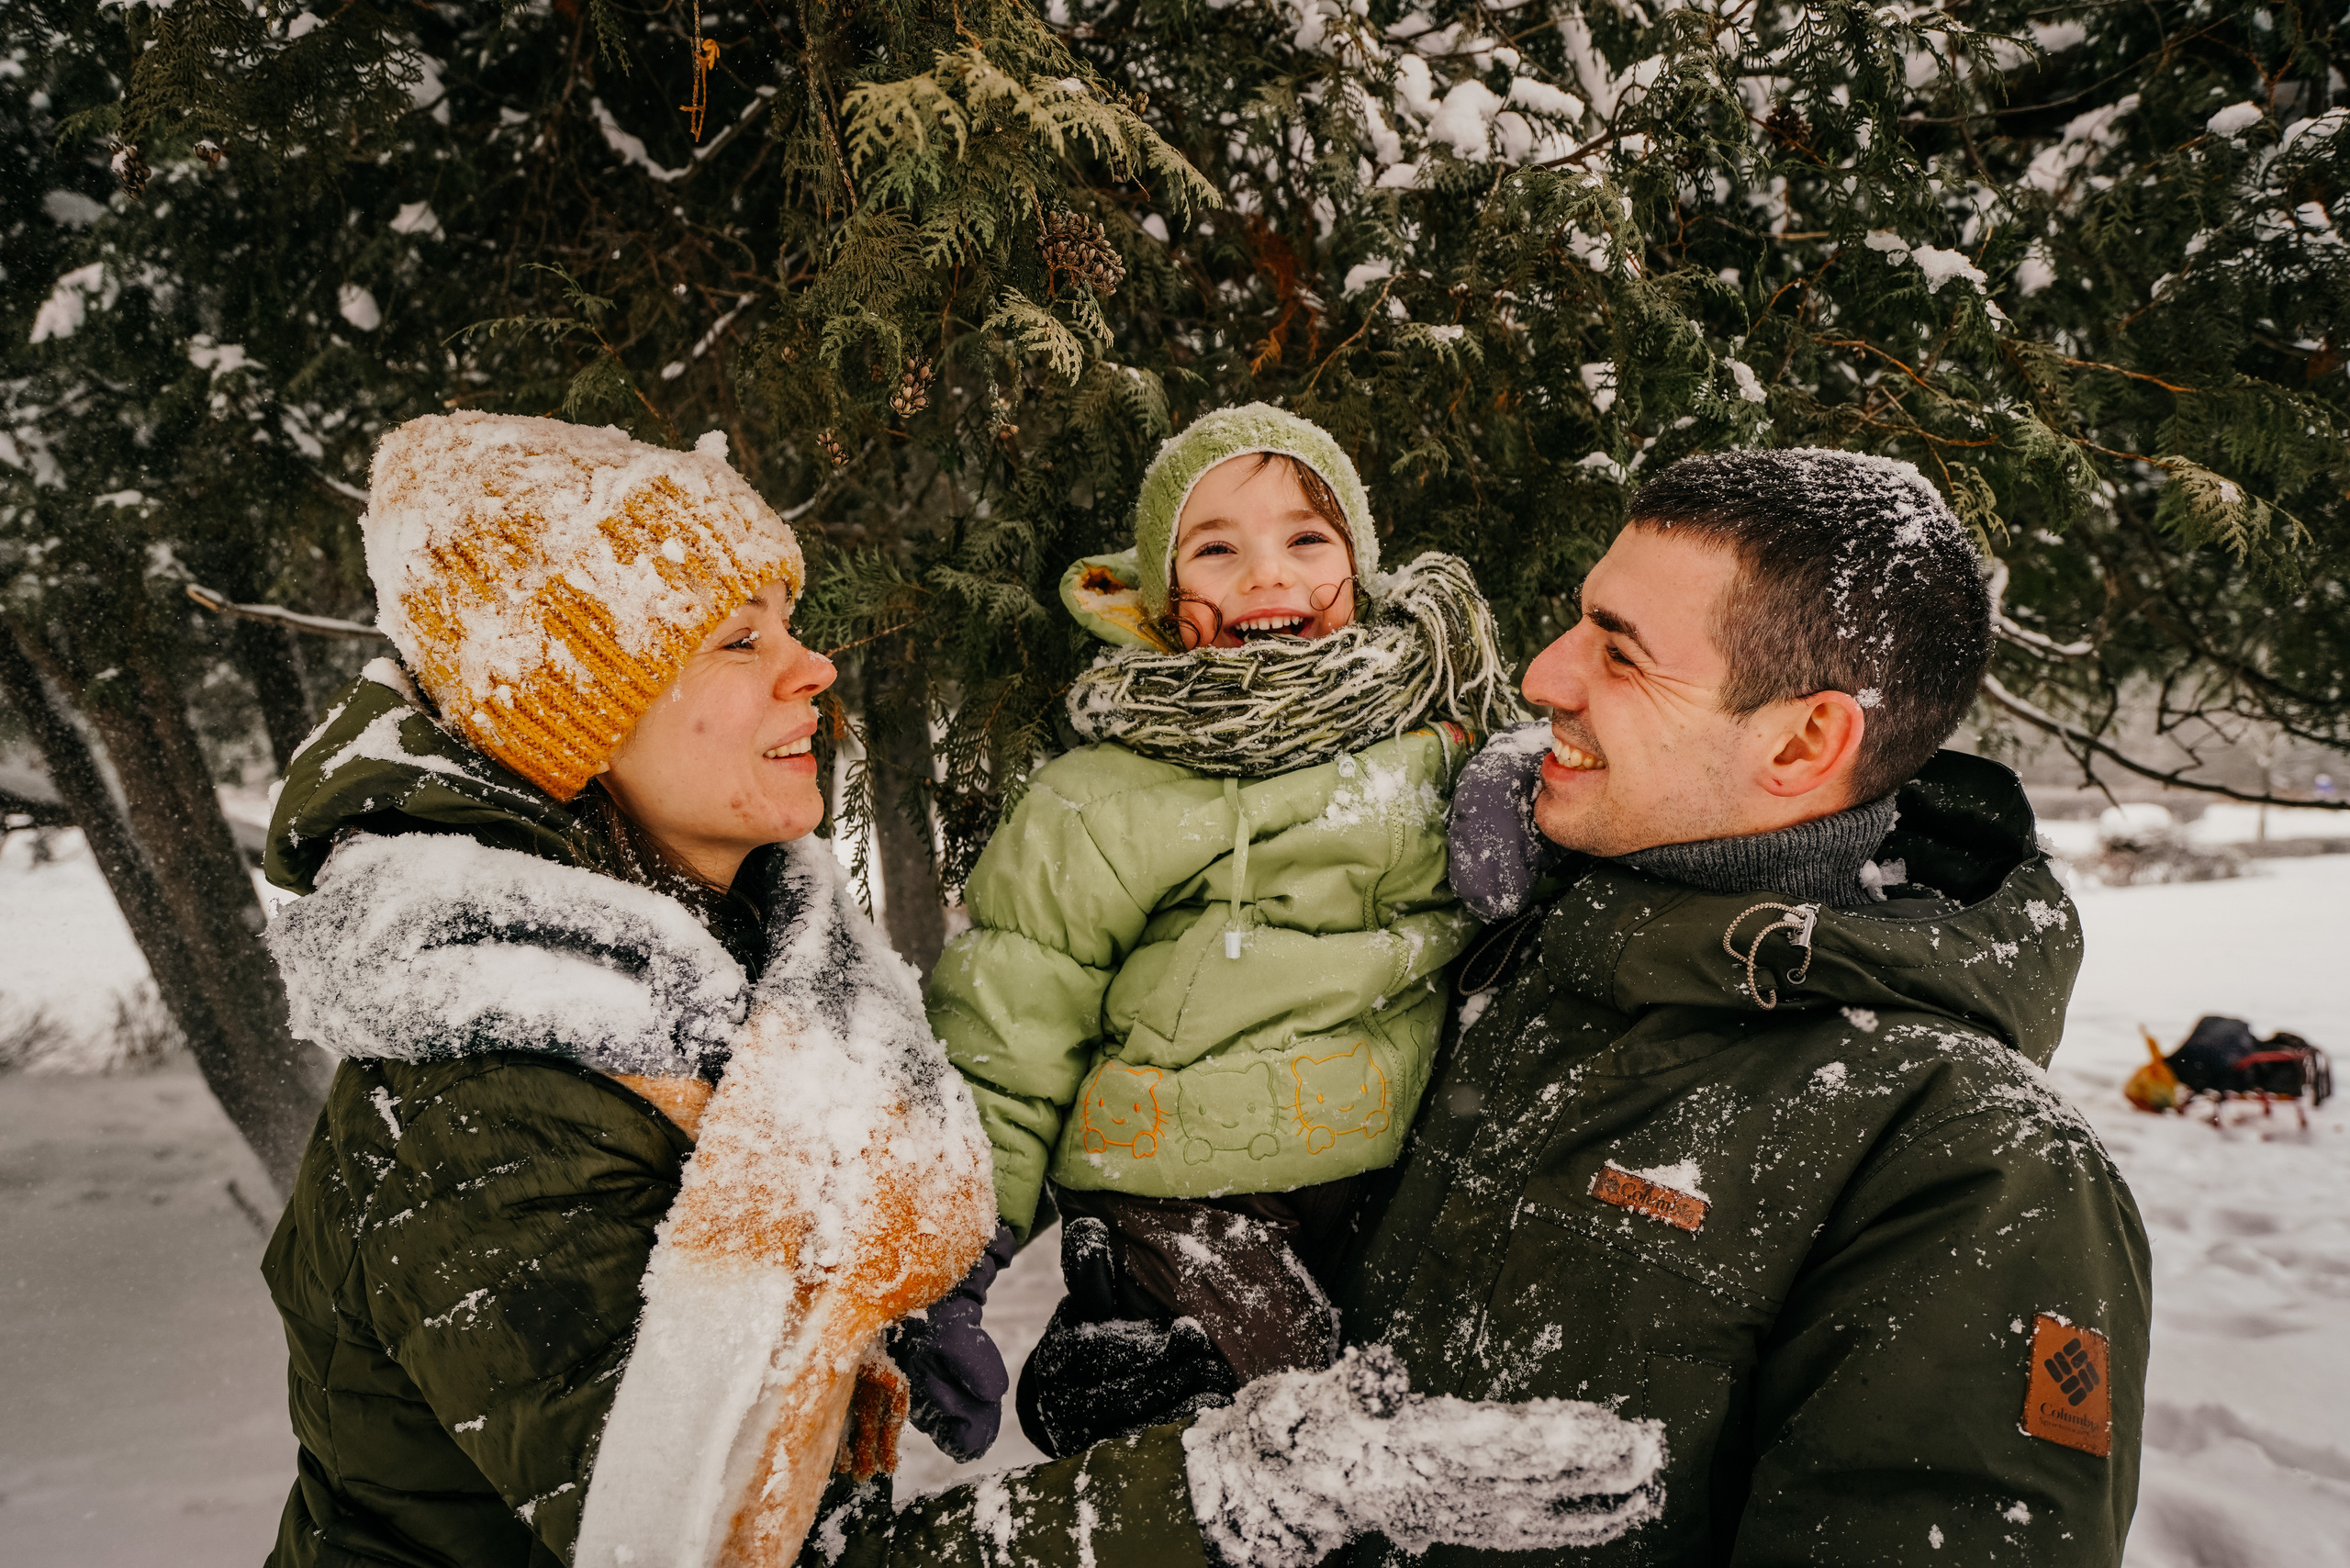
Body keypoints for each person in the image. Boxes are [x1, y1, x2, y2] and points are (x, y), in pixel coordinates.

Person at [801, 447, 2152, 1567]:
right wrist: (1185, 1467)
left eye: (1619, 655)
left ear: (1803, 742)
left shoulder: (1966, 1168)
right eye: (1576, 619)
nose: (1541, 675)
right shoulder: (1490, 947)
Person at [254, 411, 1004, 1567]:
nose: (813, 666)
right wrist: (1192, 1504)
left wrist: (875, 1312)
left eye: (790, 626)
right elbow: (708, 1543)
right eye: (736, 642)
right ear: (578, 716)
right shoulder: (486, 1100)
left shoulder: (762, 978)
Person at [912, 403, 1524, 1462]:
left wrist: (1518, 794)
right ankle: (1144, 1386)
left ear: (1359, 567)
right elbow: (1006, 1032)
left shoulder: (1443, 742)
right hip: (1186, 1190)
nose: (1266, 576)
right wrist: (949, 1263)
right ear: (1159, 593)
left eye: (1305, 539)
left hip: (1398, 1167)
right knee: (1269, 1464)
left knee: (1422, 1458)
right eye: (1216, 548)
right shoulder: (1101, 796)